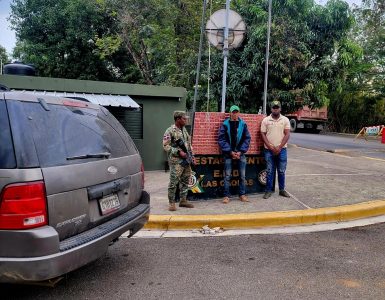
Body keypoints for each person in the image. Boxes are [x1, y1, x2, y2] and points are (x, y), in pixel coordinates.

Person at [218, 105, 251, 204]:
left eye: (236, 112)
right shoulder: (225, 124)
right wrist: (230, 152)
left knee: (242, 176)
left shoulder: (243, 124)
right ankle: (226, 196)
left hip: (240, 153)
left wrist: (241, 151)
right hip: (228, 154)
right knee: (227, 176)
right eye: (233, 112)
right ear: (230, 113)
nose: (235, 114)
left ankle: (242, 194)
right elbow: (221, 139)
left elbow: (247, 138)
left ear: (239, 112)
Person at [163, 111, 195, 211]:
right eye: (184, 119)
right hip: (176, 161)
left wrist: (192, 155)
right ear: (178, 119)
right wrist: (177, 151)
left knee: (186, 180)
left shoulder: (184, 130)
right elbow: (165, 146)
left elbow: (188, 144)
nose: (186, 120)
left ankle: (183, 200)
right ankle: (171, 203)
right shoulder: (170, 131)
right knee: (174, 182)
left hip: (186, 159)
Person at [260, 100, 291, 199]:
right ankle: (268, 191)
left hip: (282, 150)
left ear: (280, 109)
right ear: (271, 109)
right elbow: (263, 134)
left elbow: (287, 134)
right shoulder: (265, 120)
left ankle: (282, 190)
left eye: (277, 107)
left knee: (281, 171)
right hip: (269, 150)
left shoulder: (285, 120)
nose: (275, 109)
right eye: (274, 107)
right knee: (269, 171)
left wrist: (280, 146)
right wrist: (269, 146)